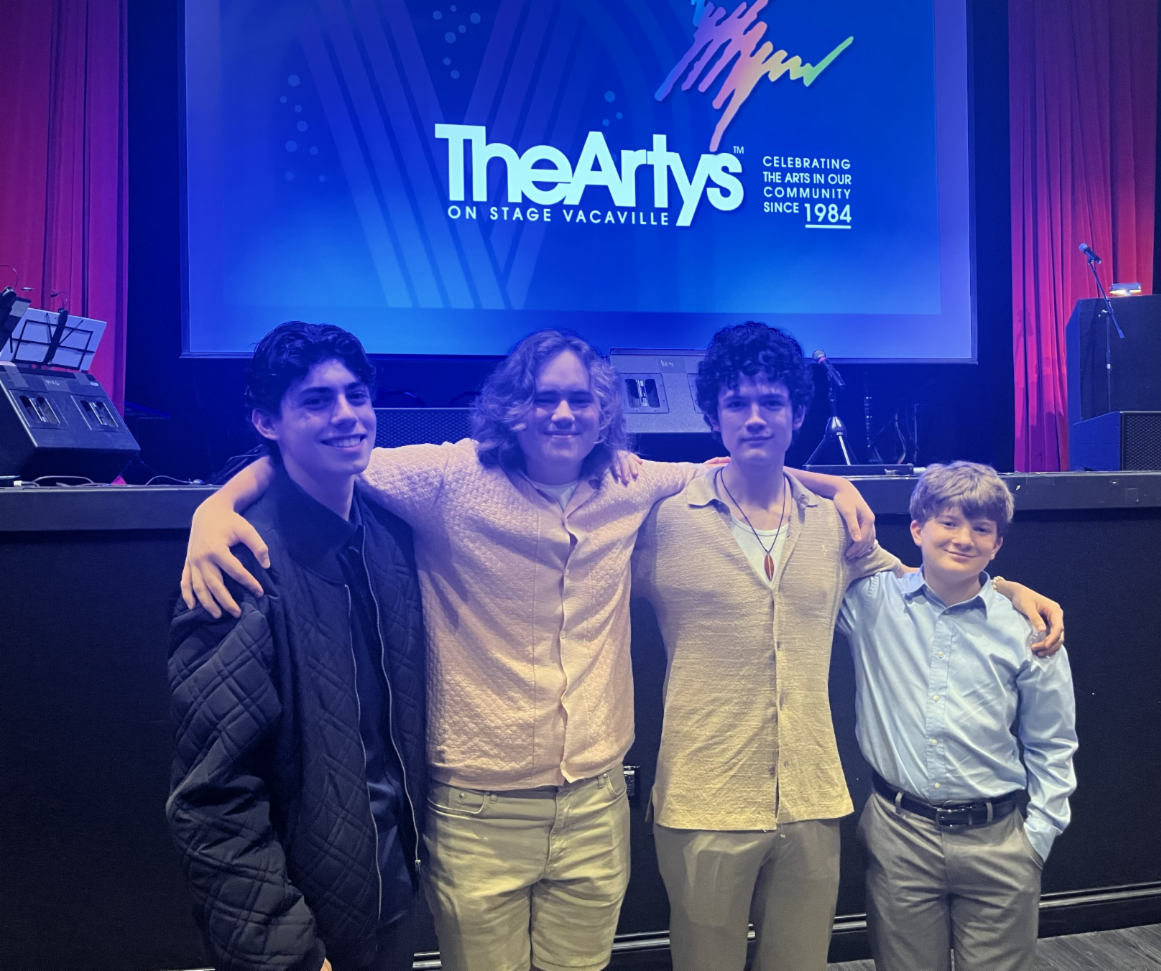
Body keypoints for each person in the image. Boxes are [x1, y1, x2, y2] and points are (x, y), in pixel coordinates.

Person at [177, 329, 883, 971]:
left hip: (595, 807)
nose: (563, 414)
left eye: (581, 399)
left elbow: (732, 466)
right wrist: (216, 506)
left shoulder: (630, 483)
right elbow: (328, 457)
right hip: (478, 814)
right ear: (512, 406)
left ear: (604, 413)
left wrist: (833, 484)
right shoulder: (447, 478)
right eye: (545, 398)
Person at [631, 324, 1061, 971]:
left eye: (772, 402)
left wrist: (1005, 588)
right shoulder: (662, 519)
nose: (755, 417)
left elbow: (923, 584)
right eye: (737, 402)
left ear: (797, 413)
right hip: (702, 797)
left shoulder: (835, 525)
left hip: (811, 800)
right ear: (713, 415)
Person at [167, 323, 427, 971]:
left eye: (356, 395)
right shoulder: (236, 565)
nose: (347, 415)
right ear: (266, 421)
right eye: (316, 400)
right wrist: (290, 952)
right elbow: (212, 800)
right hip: (303, 933)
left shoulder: (391, 536)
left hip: (392, 898)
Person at [837, 462, 1078, 971]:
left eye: (981, 529)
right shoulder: (870, 602)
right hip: (898, 835)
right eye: (948, 522)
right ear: (917, 529)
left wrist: (1037, 838)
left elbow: (1052, 742)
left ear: (997, 544)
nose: (963, 539)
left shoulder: (1029, 629)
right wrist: (831, 482)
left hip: (1000, 841)